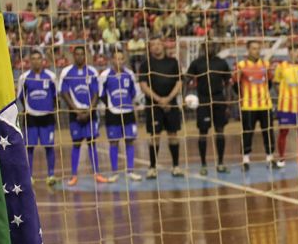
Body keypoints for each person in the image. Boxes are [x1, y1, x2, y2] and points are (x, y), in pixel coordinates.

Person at [59, 45, 108, 185]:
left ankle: (97, 174)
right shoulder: (66, 72)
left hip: (90, 114)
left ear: (85, 56)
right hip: (75, 115)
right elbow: (64, 93)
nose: (79, 56)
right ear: (73, 56)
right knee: (76, 144)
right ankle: (74, 175)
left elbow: (96, 93)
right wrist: (76, 111)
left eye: (82, 54)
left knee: (92, 143)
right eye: (77, 54)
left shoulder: (92, 71)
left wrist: (89, 111)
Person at [139, 38, 184, 178]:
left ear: (163, 45)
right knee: (154, 136)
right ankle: (152, 168)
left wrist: (168, 99)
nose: (156, 47)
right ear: (150, 48)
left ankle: (176, 166)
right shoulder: (146, 64)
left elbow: (179, 82)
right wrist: (159, 100)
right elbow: (143, 85)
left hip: (171, 104)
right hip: (154, 105)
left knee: (173, 134)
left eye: (158, 44)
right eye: (153, 44)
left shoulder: (173, 62)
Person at [185, 41, 231, 175]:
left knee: (220, 130)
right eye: (207, 46)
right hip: (203, 100)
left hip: (219, 99)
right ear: (202, 48)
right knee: (203, 132)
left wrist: (227, 100)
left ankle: (221, 162)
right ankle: (203, 164)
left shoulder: (221, 63)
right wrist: (186, 96)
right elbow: (187, 80)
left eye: (212, 45)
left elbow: (227, 82)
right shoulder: (197, 63)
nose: (210, 48)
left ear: (216, 47)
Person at [99, 50, 142, 182]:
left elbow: (134, 93)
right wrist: (111, 106)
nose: (119, 61)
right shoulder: (105, 75)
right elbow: (101, 94)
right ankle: (114, 172)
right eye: (117, 58)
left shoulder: (129, 74)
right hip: (112, 114)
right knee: (114, 142)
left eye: (122, 58)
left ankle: (130, 171)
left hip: (128, 113)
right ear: (112, 60)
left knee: (129, 140)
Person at [17, 50, 58, 185]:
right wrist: (29, 109)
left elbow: (55, 96)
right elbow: (21, 97)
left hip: (47, 118)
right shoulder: (24, 77)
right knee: (29, 147)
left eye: (38, 58)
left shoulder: (51, 76)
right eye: (33, 58)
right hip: (31, 118)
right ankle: (29, 177)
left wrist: (50, 109)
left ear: (42, 60)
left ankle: (51, 175)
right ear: (29, 61)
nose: (36, 61)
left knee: (49, 146)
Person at [235, 40, 276, 170]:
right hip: (248, 106)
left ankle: (270, 159)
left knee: (268, 133)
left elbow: (269, 83)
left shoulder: (266, 64)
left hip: (265, 105)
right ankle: (245, 160)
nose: (256, 51)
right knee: (247, 133)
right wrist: (245, 97)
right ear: (248, 50)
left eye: (258, 48)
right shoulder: (241, 65)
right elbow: (235, 85)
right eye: (253, 48)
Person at [273, 43, 298, 165]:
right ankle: (281, 158)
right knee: (283, 131)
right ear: (288, 52)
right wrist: (284, 95)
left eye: (297, 50)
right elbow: (276, 83)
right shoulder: (281, 66)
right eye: (293, 50)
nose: (295, 53)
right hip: (285, 106)